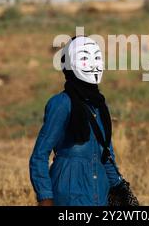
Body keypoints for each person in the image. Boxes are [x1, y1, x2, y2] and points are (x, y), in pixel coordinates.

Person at [29, 36, 122, 206]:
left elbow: (107, 155)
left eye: (97, 58)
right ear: (70, 64)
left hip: (100, 195)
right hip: (69, 195)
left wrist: (120, 190)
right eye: (85, 58)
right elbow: (39, 155)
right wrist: (45, 197)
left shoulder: (100, 105)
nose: (94, 64)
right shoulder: (61, 103)